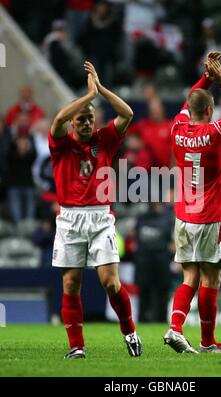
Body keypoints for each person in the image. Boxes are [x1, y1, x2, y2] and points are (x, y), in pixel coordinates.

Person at [49, 61, 142, 359]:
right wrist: (87, 97)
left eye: (90, 119)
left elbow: (127, 113)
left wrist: (100, 90)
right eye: (82, 120)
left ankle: (130, 332)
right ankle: (77, 346)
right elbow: (57, 119)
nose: (88, 123)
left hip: (101, 217)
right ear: (73, 124)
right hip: (69, 218)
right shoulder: (61, 144)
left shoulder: (105, 139)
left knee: (110, 282)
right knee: (70, 282)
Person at [163, 53, 221, 353]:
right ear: (211, 110)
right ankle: (207, 341)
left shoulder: (176, 128)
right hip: (211, 218)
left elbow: (189, 103)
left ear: (189, 109)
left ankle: (175, 328)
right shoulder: (217, 133)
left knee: (190, 276)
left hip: (184, 217)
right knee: (211, 278)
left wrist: (206, 80)